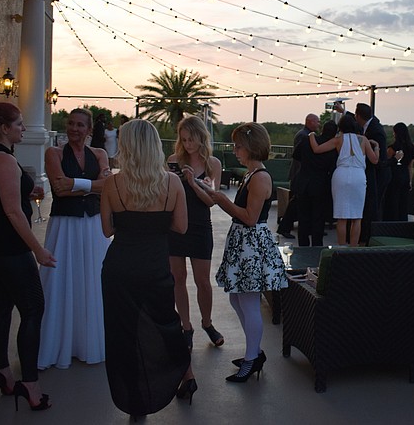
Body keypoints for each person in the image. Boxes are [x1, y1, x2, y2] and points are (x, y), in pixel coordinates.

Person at [100, 119, 194, 417]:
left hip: (119, 269)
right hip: (155, 267)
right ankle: (186, 374)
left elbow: (107, 230)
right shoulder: (172, 182)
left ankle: (134, 401)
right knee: (167, 325)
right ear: (155, 146)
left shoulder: (112, 183)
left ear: (126, 146)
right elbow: (181, 226)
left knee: (124, 335)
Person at [0, 100, 55, 411]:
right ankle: (30, 386)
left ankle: (3, 373)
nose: (23, 128)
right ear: (5, 129)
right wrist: (39, 249)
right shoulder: (4, 160)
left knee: (2, 306)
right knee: (33, 308)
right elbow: (13, 213)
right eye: (19, 124)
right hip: (9, 248)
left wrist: (24, 192)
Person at [198, 122, 288, 382]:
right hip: (244, 243)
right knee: (237, 299)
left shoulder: (260, 177)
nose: (235, 150)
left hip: (251, 244)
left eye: (239, 146)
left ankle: (252, 359)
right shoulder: (252, 175)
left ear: (251, 147)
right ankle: (253, 351)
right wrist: (213, 193)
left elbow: (250, 218)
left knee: (247, 302)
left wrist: (220, 199)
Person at [38, 108, 112, 370]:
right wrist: (91, 186)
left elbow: (109, 186)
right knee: (61, 280)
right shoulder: (53, 153)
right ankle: (60, 344)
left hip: (93, 227)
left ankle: (89, 342)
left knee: (93, 280)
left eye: (81, 125)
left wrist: (75, 185)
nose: (74, 129)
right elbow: (58, 187)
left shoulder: (100, 154)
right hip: (64, 227)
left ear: (89, 130)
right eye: (70, 123)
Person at [166, 115, 224, 350]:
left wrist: (192, 182)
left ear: (202, 138)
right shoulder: (172, 161)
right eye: (184, 139)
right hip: (174, 226)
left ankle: (207, 323)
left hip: (200, 226)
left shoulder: (213, 164)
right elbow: (167, 193)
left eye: (192, 139)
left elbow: (211, 201)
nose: (188, 144)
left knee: (203, 281)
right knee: (177, 278)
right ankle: (186, 325)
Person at [310, 114, 380, 246]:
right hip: (358, 175)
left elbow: (317, 149)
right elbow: (375, 160)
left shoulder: (338, 139)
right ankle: (353, 248)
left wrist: (311, 135)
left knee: (341, 217)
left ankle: (341, 247)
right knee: (357, 217)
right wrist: (376, 147)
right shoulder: (363, 140)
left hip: (341, 174)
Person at [293, 119, 338, 246]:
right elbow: (333, 167)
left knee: (303, 217)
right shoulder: (333, 147)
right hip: (321, 185)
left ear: (322, 129)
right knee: (318, 218)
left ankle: (303, 247)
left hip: (304, 182)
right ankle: (316, 247)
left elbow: (296, 155)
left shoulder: (307, 140)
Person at [277, 113, 320, 238]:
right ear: (310, 122)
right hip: (299, 174)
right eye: (317, 121)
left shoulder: (304, 134)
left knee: (296, 202)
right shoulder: (304, 136)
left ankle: (287, 227)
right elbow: (301, 156)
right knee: (295, 202)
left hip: (300, 174)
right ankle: (285, 228)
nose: (318, 124)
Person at [353, 103, 389, 243]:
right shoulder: (370, 124)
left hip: (378, 174)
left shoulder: (376, 131)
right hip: (372, 173)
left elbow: (377, 159)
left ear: (359, 116)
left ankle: (370, 236)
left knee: (372, 207)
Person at [383, 122, 414, 221]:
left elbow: (386, 163)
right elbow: (410, 166)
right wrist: (410, 180)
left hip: (394, 176)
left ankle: (391, 224)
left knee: (392, 203)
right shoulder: (411, 148)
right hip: (405, 176)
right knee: (403, 204)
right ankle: (402, 225)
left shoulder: (392, 148)